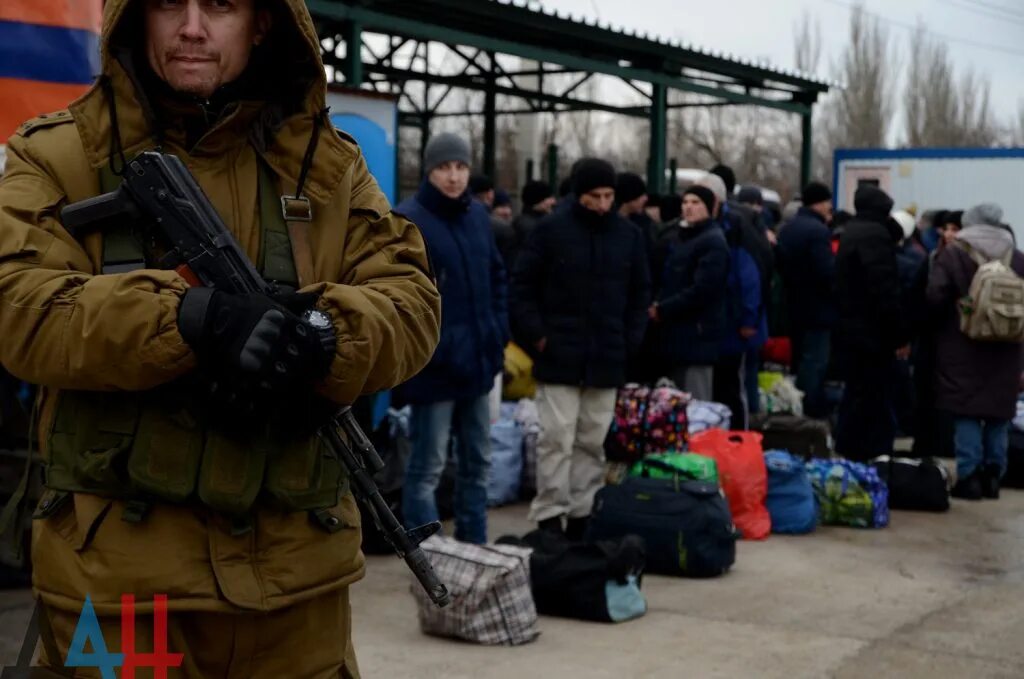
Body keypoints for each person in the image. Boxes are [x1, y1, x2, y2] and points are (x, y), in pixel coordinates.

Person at [0, 0, 441, 675]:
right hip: (120, 596)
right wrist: (189, 319)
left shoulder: (324, 164)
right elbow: (19, 307)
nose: (194, 26)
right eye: (170, 3)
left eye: (222, 5)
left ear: (264, 23)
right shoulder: (61, 153)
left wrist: (324, 334)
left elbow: (410, 301)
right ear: (134, 19)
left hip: (297, 593)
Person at [512, 157, 650, 539]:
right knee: (556, 438)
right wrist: (539, 336)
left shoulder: (628, 235)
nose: (603, 203)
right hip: (559, 355)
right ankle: (549, 515)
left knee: (591, 440)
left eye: (609, 196)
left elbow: (641, 293)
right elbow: (521, 286)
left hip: (607, 356)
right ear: (579, 194)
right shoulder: (550, 231)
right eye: (595, 196)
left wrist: (629, 340)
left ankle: (581, 512)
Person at [396, 133, 508, 544]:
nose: (454, 176)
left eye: (460, 167)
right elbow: (402, 296)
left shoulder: (478, 216)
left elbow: (497, 274)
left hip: (478, 362)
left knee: (478, 462)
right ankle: (430, 557)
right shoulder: (408, 220)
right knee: (428, 466)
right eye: (445, 167)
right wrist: (436, 347)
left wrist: (497, 333)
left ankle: (473, 548)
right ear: (429, 170)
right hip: (435, 370)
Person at [926, 204, 1024, 500]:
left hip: (963, 342)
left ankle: (968, 478)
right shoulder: (1016, 257)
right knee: (997, 413)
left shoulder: (954, 253)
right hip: (1007, 345)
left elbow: (935, 296)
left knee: (966, 410)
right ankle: (994, 475)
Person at [833, 186, 908, 460]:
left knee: (855, 395)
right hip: (873, 334)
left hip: (851, 329)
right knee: (875, 398)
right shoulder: (876, 236)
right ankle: (873, 456)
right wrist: (899, 334)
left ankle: (848, 449)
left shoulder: (853, 231)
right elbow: (885, 290)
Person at [648, 185, 729, 399]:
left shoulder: (712, 242)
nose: (688, 207)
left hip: (697, 335)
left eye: (695, 203)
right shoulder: (683, 238)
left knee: (696, 401)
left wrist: (663, 309)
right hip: (680, 334)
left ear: (710, 207)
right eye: (685, 202)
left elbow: (703, 289)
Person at [697, 172, 762, 429]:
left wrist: (749, 317)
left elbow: (749, 277)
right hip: (715, 321)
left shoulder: (735, 227)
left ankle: (737, 439)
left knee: (731, 386)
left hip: (733, 322)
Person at [776, 181, 836, 417]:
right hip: (818, 309)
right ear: (820, 203)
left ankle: (795, 407)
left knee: (800, 360)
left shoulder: (789, 229)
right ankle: (809, 412)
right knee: (814, 364)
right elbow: (826, 272)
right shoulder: (818, 231)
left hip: (794, 305)